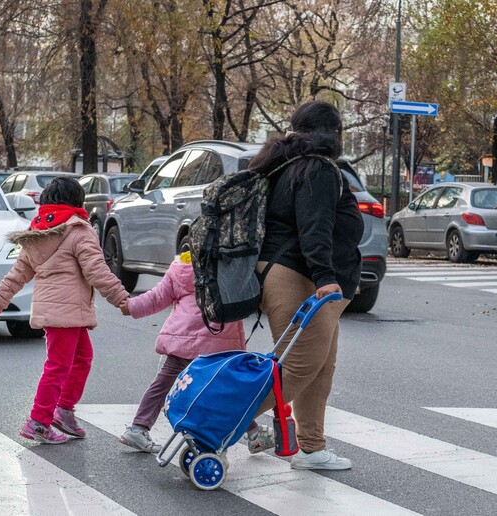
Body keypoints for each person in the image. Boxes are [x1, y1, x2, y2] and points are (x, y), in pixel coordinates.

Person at [245, 100, 363, 470]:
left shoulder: (288, 165)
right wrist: (326, 279)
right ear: (333, 134)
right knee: (298, 367)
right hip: (299, 277)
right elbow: (315, 228)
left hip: (292, 274)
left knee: (320, 367)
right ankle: (214, 424)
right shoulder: (318, 169)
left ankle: (312, 448)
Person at [0, 177, 130, 445]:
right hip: (67, 312)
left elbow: (20, 271)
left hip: (60, 311)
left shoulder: (38, 231)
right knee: (58, 367)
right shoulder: (78, 229)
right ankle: (39, 421)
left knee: (81, 358)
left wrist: (0, 297)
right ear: (78, 201)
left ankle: (63, 410)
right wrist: (121, 298)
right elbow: (97, 271)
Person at [118, 249, 266, 453]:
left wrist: (131, 307)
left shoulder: (181, 269)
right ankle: (254, 433)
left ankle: (139, 426)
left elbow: (156, 298)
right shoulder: (231, 270)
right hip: (217, 350)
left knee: (161, 387)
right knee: (224, 393)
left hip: (182, 345)